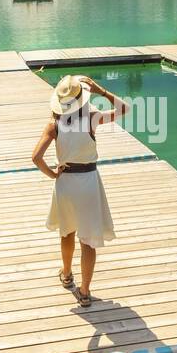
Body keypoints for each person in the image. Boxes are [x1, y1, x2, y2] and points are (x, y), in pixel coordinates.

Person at [31, 74, 129, 307]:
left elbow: (36, 158)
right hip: (88, 182)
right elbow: (124, 109)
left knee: (67, 232)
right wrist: (101, 91)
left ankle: (66, 275)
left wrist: (54, 174)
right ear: (82, 98)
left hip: (66, 183)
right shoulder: (92, 118)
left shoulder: (54, 125)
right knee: (88, 241)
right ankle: (84, 292)